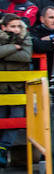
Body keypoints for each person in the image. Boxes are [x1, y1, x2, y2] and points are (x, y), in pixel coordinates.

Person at [0, 14, 33, 153]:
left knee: (17, 115)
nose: (17, 29)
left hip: (17, 84)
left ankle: (3, 147)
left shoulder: (25, 37)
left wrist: (4, 53)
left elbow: (26, 56)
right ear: (4, 27)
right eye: (13, 26)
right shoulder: (11, 40)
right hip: (1, 85)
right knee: (1, 117)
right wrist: (14, 46)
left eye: (18, 26)